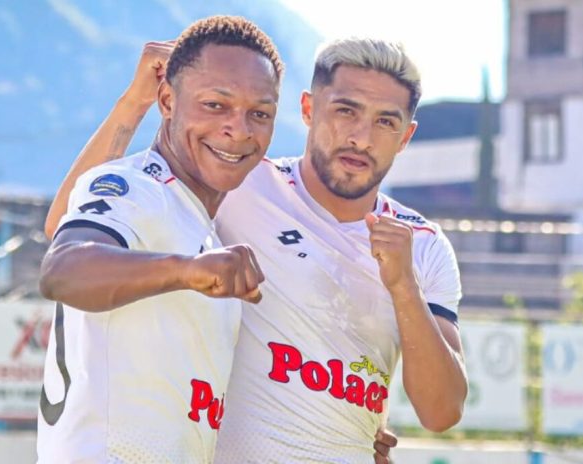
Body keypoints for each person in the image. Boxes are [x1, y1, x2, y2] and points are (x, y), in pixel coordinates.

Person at [46, 35, 467, 463]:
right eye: (346, 111)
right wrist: (135, 103)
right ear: (308, 109)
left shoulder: (423, 245)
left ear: (405, 136)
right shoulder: (241, 178)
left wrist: (404, 287)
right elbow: (68, 224)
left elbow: (442, 412)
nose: (361, 138)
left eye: (385, 122)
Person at [36, 16, 282, 463]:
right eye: (215, 105)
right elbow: (62, 268)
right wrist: (187, 271)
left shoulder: (198, 223)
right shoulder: (142, 189)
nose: (240, 129)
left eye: (260, 113)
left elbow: (61, 223)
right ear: (167, 100)